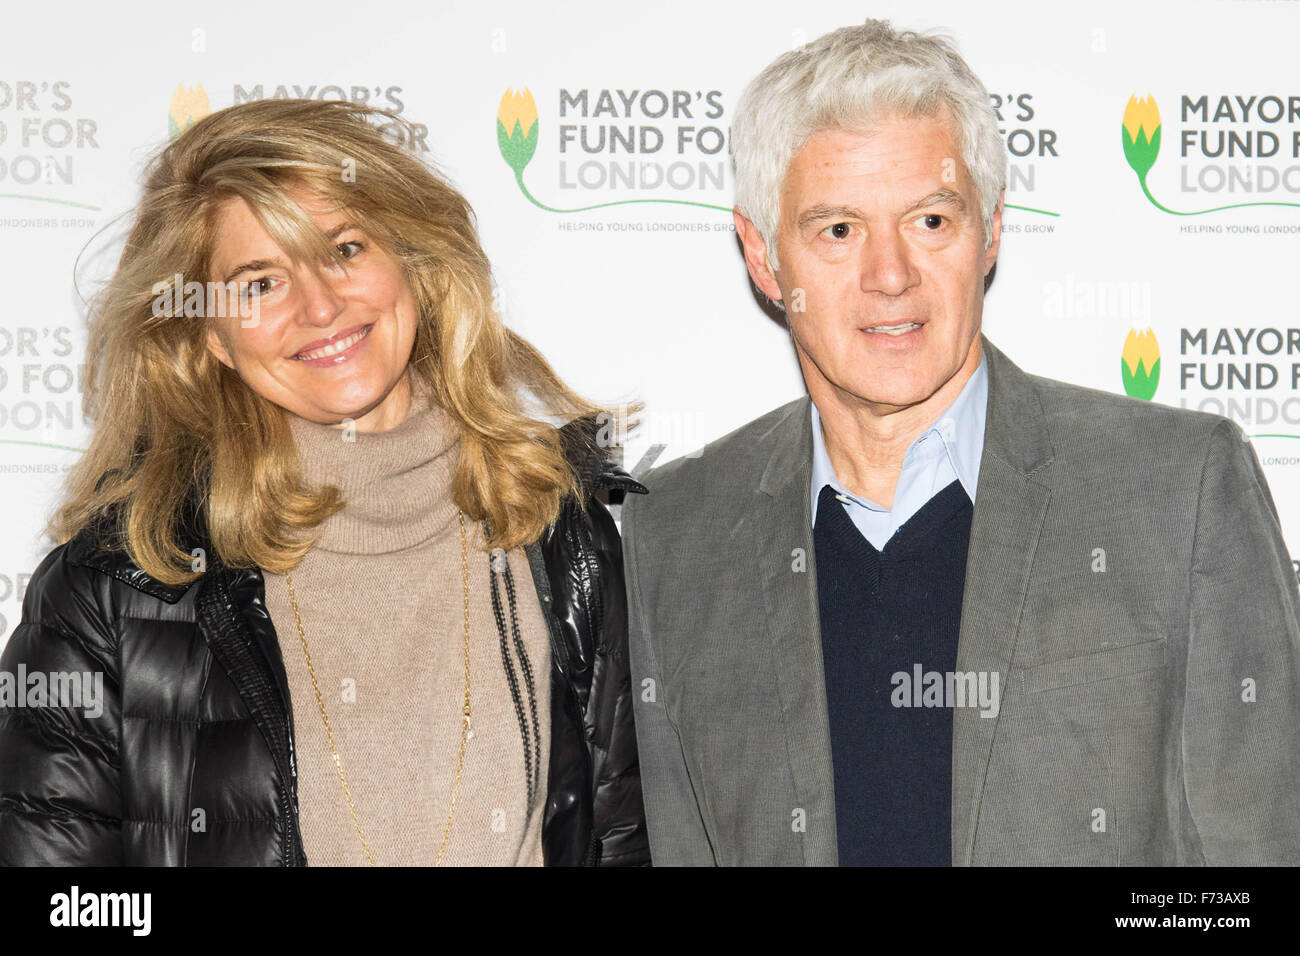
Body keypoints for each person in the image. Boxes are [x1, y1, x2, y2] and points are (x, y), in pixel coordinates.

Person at [622, 19, 1300, 865]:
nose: (890, 274)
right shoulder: (677, 532)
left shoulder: (1178, 487)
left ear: (990, 232)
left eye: (931, 221)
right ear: (764, 258)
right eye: (837, 230)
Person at [0, 98, 648, 867]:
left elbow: (625, 844)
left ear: (412, 261)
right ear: (209, 335)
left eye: (344, 248)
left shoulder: (558, 528)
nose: (320, 305)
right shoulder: (123, 586)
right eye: (260, 284)